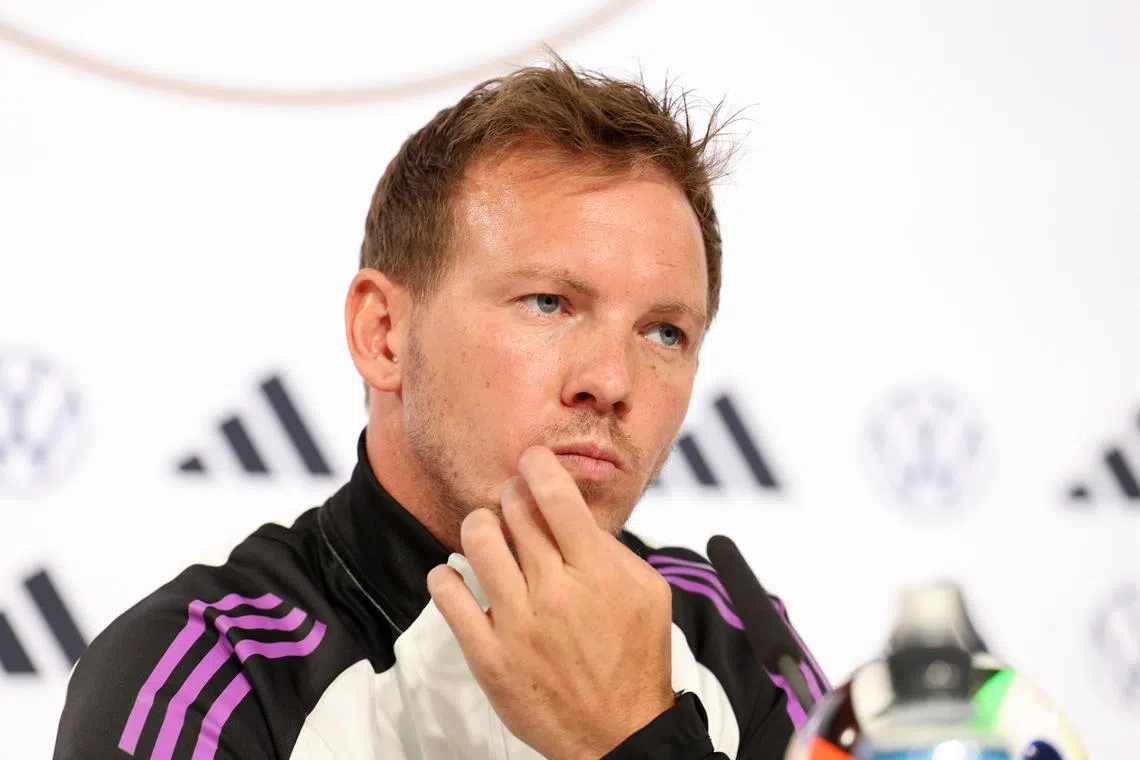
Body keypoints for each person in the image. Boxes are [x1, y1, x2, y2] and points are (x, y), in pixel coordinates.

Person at [53, 57, 829, 759]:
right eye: (550, 303)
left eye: (665, 332)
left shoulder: (733, 636)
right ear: (383, 335)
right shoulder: (203, 675)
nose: (611, 380)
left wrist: (635, 737)